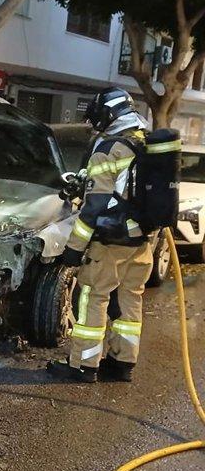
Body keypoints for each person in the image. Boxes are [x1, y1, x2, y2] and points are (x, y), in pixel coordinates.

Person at [48, 87, 153, 384]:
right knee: (130, 299)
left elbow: (93, 208)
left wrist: (74, 248)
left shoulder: (109, 148)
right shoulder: (146, 142)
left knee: (93, 297)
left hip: (111, 241)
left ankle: (83, 365)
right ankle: (122, 364)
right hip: (142, 240)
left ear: (109, 114)